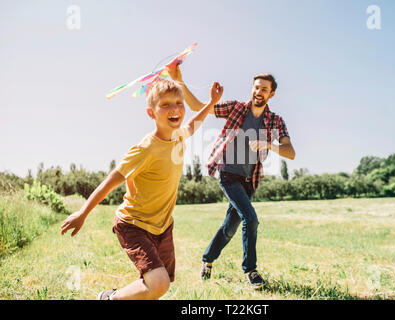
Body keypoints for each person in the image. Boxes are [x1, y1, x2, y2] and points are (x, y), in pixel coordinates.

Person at [60, 79, 223, 299]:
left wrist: (212, 102)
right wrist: (82, 213)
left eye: (178, 102)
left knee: (157, 281)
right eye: (165, 105)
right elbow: (110, 181)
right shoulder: (145, 148)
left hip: (162, 226)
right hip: (133, 225)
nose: (174, 108)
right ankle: (109, 298)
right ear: (151, 113)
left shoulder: (179, 136)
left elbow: (194, 123)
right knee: (159, 283)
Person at [168, 65, 295, 289]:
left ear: (271, 94)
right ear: (252, 89)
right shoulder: (236, 108)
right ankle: (251, 270)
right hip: (227, 173)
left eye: (264, 89)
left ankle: (207, 260)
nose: (259, 92)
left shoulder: (275, 121)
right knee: (251, 219)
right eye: (256, 87)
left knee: (230, 227)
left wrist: (268, 144)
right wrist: (179, 81)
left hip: (249, 181)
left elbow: (290, 152)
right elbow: (200, 107)